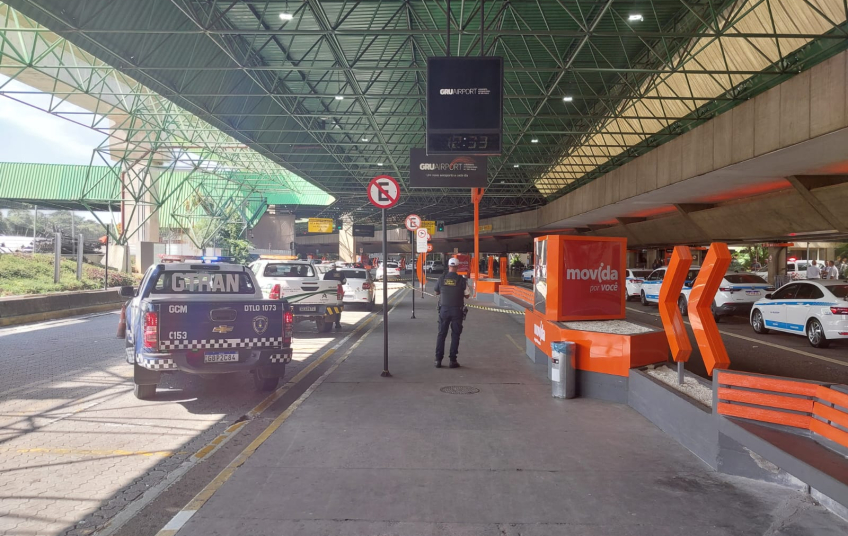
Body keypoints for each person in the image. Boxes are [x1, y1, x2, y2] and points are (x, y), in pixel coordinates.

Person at [433, 258, 471, 369]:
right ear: (457, 267)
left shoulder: (441, 279)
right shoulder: (462, 280)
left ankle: (438, 360)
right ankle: (452, 361)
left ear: (448, 266)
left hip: (444, 310)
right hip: (457, 311)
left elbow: (436, 291)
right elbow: (467, 295)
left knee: (441, 334)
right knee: (455, 335)